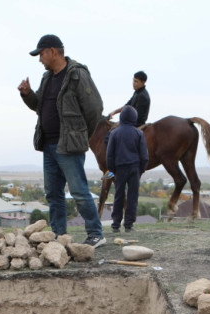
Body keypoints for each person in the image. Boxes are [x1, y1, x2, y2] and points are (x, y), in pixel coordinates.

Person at [18, 34, 107, 248]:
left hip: (69, 145)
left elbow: (95, 108)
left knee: (79, 191)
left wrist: (81, 134)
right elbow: (39, 106)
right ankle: (58, 236)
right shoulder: (47, 77)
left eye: (41, 54)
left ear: (53, 52)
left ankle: (96, 234)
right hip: (48, 144)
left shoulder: (76, 74)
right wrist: (28, 94)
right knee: (53, 193)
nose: (40, 59)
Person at [106, 105, 148, 233]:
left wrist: (112, 169)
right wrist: (141, 169)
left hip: (119, 168)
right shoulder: (139, 133)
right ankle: (129, 224)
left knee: (119, 195)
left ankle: (115, 224)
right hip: (135, 167)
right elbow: (144, 156)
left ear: (122, 117)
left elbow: (109, 155)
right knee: (132, 196)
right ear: (134, 117)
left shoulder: (114, 133)